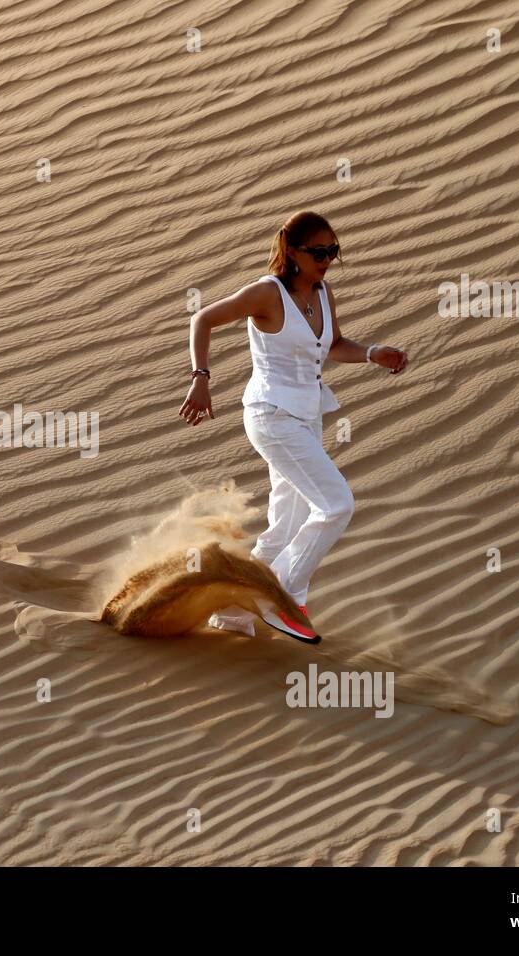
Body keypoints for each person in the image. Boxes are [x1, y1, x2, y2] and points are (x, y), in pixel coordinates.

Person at [177, 211, 408, 643]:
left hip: (306, 418)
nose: (326, 259)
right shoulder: (267, 293)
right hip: (271, 416)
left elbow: (334, 345)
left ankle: (229, 611)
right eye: (318, 251)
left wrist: (374, 352)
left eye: (333, 251)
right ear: (291, 250)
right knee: (337, 504)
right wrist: (201, 379)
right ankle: (281, 594)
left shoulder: (322, 293)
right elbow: (202, 319)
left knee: (286, 526)